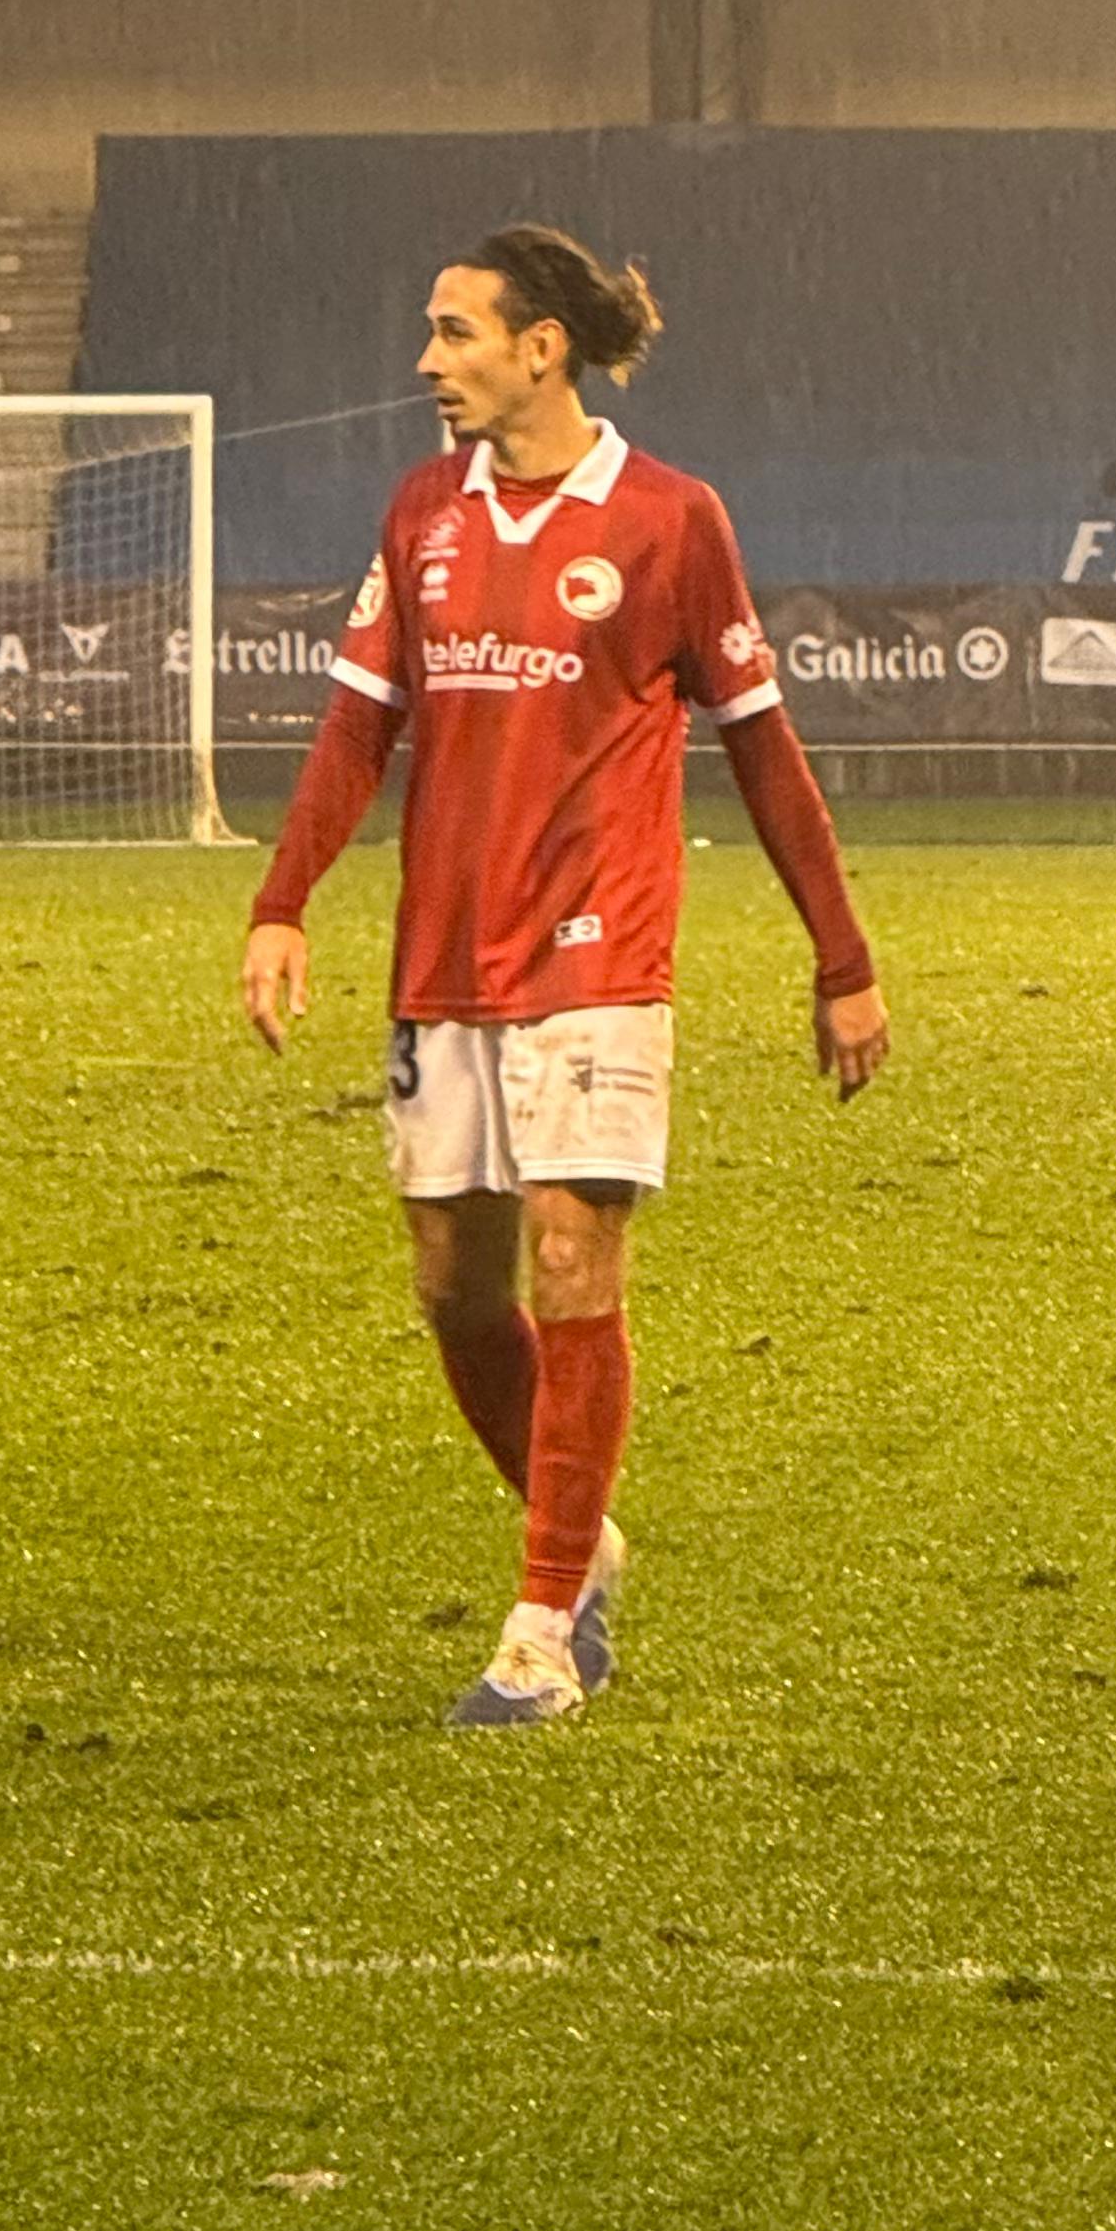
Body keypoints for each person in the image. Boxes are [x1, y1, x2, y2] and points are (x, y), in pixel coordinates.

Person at [242, 225, 889, 1728]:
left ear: (544, 348)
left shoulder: (669, 522)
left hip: (601, 950)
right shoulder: (423, 514)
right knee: (456, 1287)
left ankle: (539, 1630)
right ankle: (581, 1533)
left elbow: (765, 751)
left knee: (569, 1256)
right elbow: (356, 734)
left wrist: (840, 960)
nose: (428, 360)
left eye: (456, 332)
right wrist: (283, 905)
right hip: (443, 957)